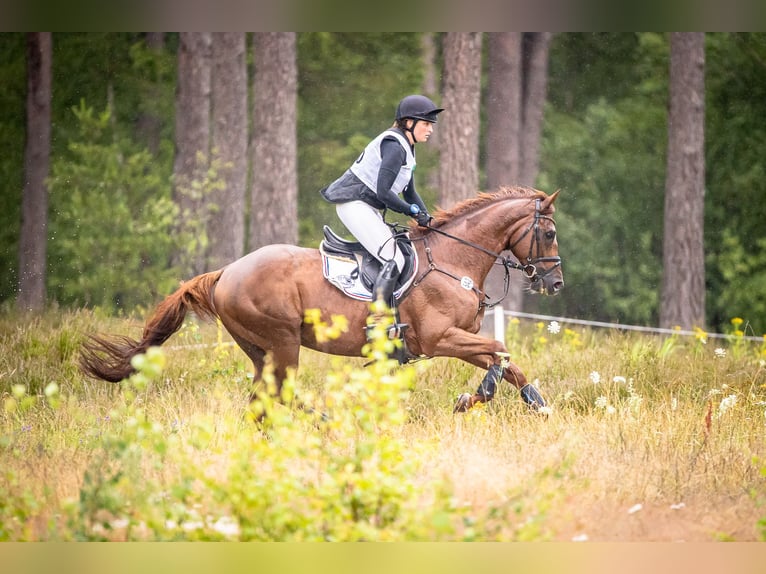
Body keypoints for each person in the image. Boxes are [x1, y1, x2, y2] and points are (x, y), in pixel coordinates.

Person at [320, 94, 443, 336]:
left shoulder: (407, 148)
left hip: (366, 206)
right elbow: (384, 192)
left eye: (431, 125)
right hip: (354, 204)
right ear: (409, 123)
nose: (430, 129)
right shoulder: (395, 146)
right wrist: (411, 211)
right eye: (426, 124)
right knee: (394, 258)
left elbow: (409, 191)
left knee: (402, 252)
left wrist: (426, 217)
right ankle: (378, 322)